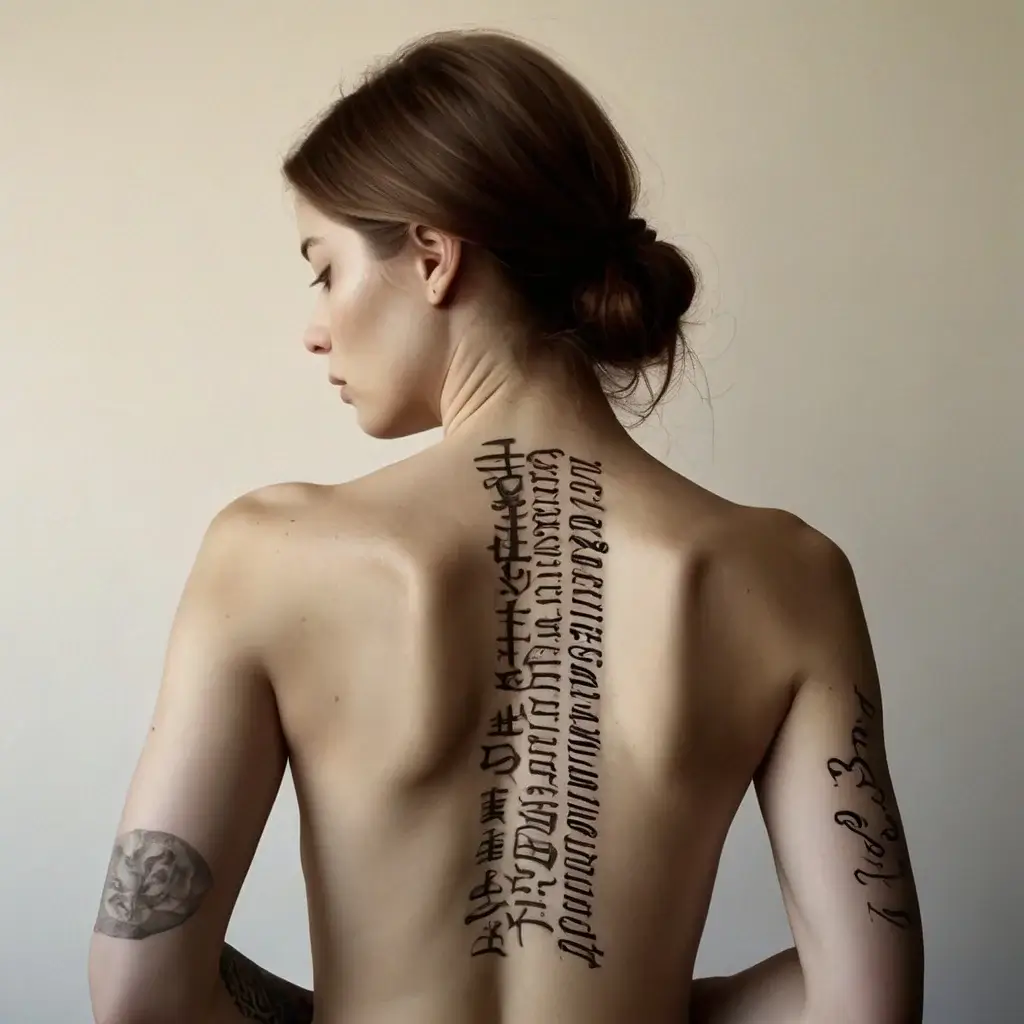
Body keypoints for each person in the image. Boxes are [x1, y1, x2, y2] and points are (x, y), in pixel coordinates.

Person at [87, 28, 924, 1024]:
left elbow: (140, 983)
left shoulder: (268, 555)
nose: (314, 325)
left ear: (434, 257)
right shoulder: (786, 573)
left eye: (324, 270)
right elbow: (863, 1005)